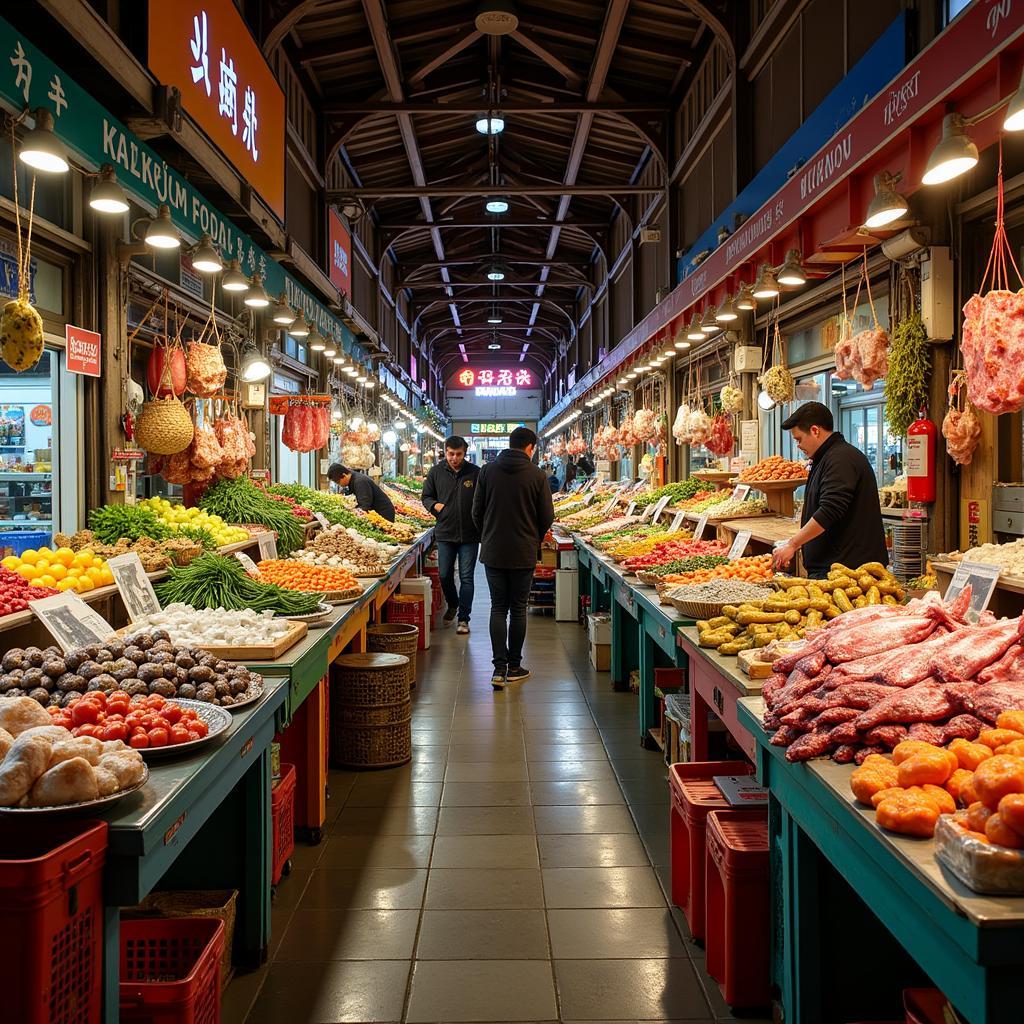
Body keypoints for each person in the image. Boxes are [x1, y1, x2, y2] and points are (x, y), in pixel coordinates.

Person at [472, 426, 555, 690]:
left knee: (498, 607)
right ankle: (515, 666)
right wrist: (534, 537)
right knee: (518, 609)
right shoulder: (537, 475)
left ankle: (498, 669)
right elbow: (546, 516)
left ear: (510, 443)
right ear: (530, 448)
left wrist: (487, 535)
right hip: (523, 551)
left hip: (494, 550)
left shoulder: (487, 471)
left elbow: (476, 511)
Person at [770, 401, 887, 579]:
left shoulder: (840, 459)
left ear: (815, 431)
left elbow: (830, 510)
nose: (798, 446)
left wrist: (793, 544)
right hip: (836, 570)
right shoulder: (827, 457)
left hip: (849, 574)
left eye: (799, 439)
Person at [421, 436, 480, 634]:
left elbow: (484, 499)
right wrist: (435, 506)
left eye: (458, 454)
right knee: (444, 575)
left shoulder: (475, 473)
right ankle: (453, 604)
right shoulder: (436, 472)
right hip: (445, 532)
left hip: (470, 535)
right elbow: (426, 496)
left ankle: (464, 619)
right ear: (445, 452)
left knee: (466, 577)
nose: (454, 458)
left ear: (465, 453)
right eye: (450, 454)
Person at [326, 463, 396, 522]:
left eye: (338, 482)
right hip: (376, 512)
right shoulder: (353, 478)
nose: (339, 484)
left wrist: (353, 517)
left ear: (344, 475)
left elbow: (364, 505)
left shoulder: (360, 482)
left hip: (383, 514)